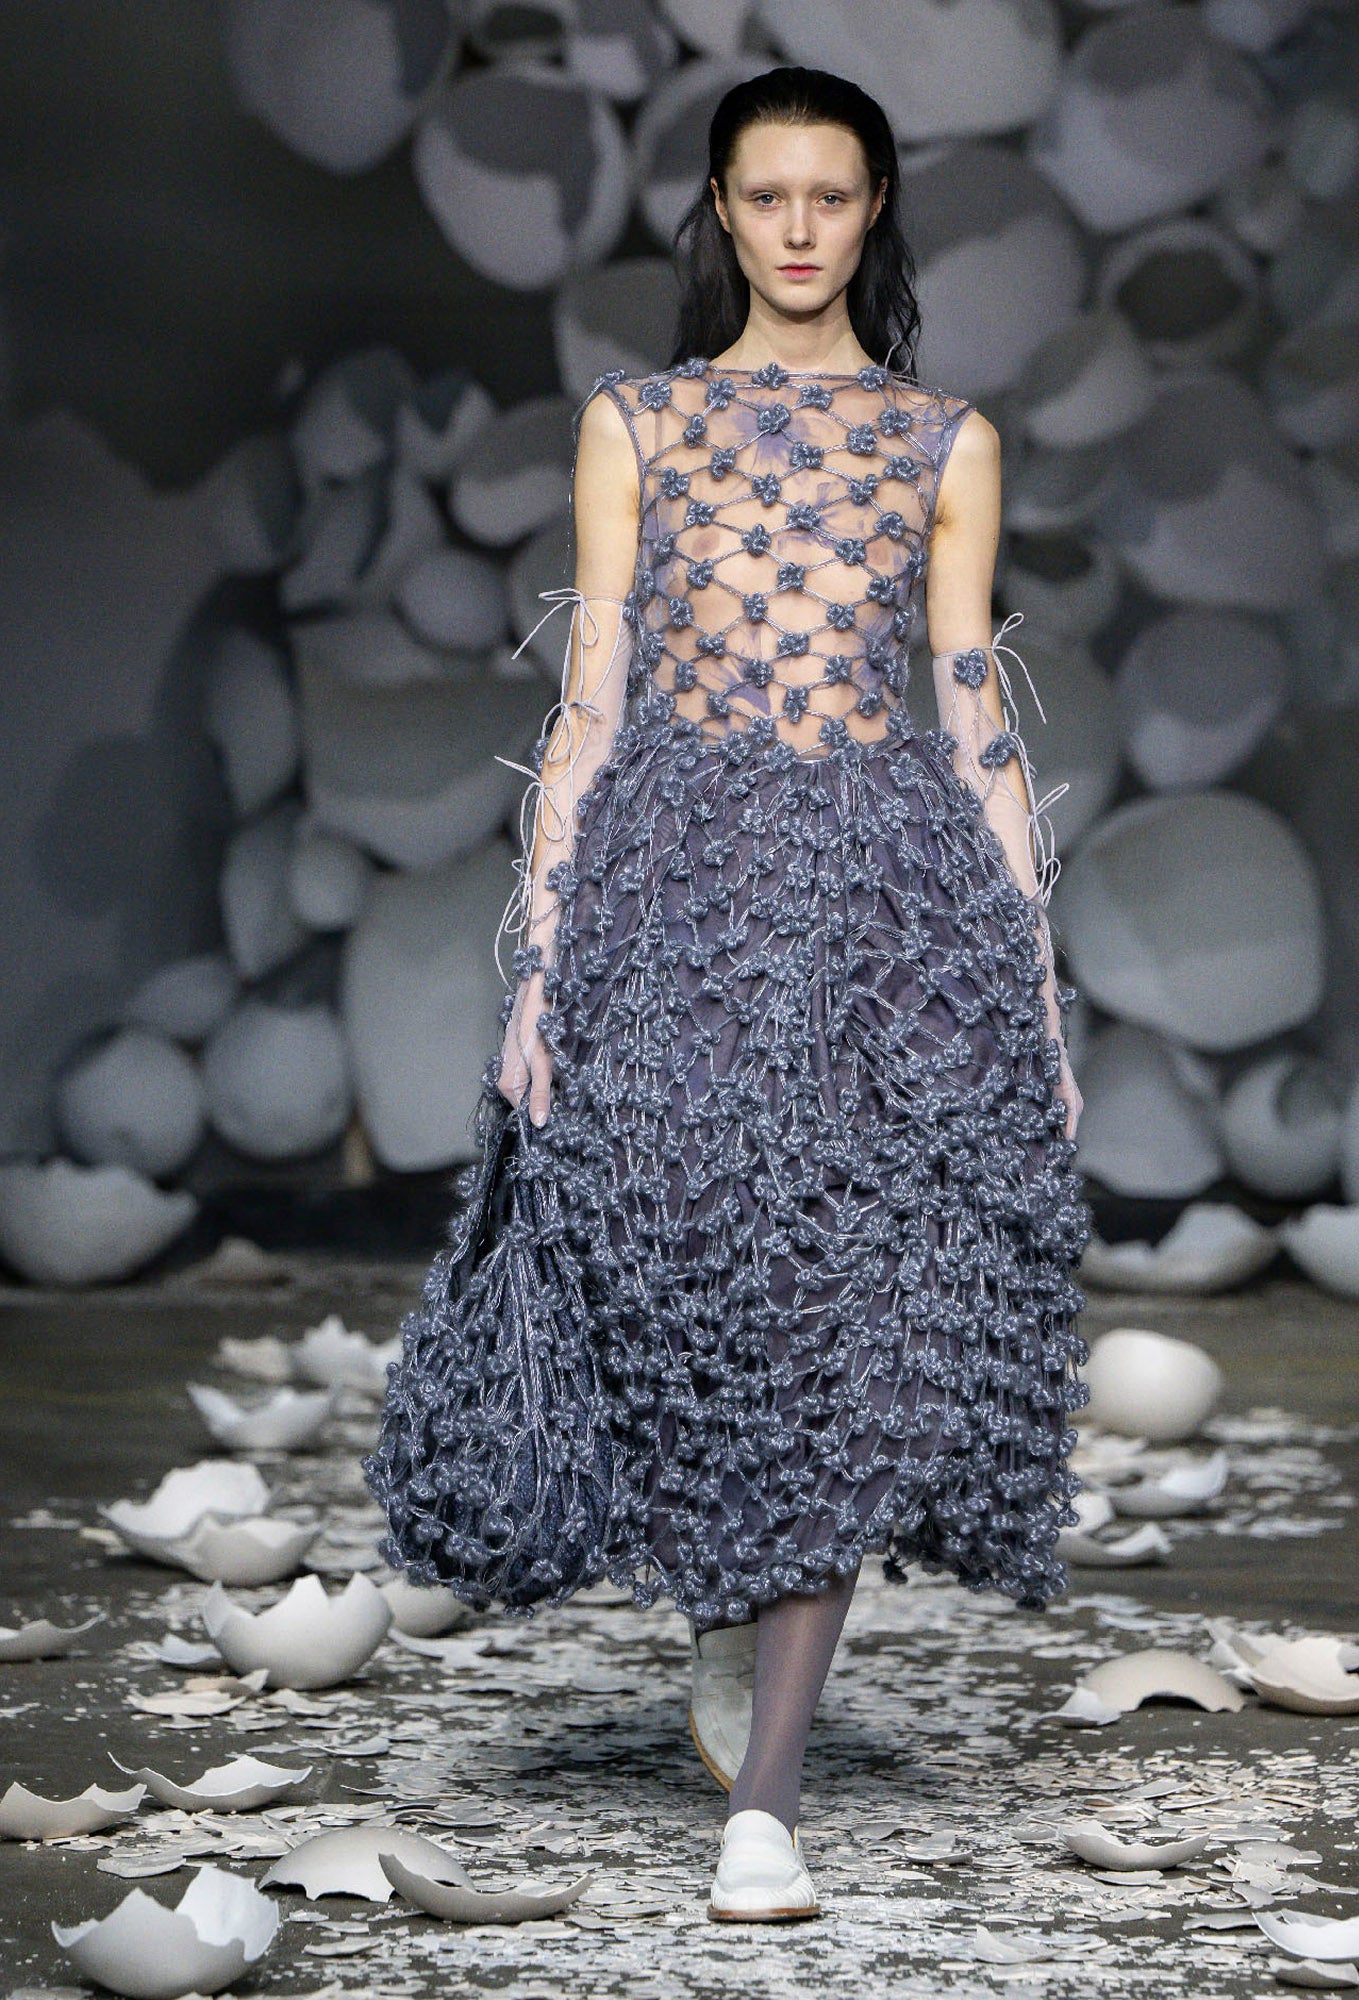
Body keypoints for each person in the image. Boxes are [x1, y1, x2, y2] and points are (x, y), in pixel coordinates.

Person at [365, 64, 1091, 1926]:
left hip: (887, 902)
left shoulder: (943, 444)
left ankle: (766, 1797)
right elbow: (590, 706)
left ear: (874, 211)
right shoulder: (639, 427)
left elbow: (972, 714)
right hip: (676, 890)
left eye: (830, 196)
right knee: (690, 1259)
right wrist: (539, 967)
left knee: (856, 1307)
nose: (796, 229)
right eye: (766, 196)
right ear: (718, 209)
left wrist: (1035, 987)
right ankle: (729, 1587)